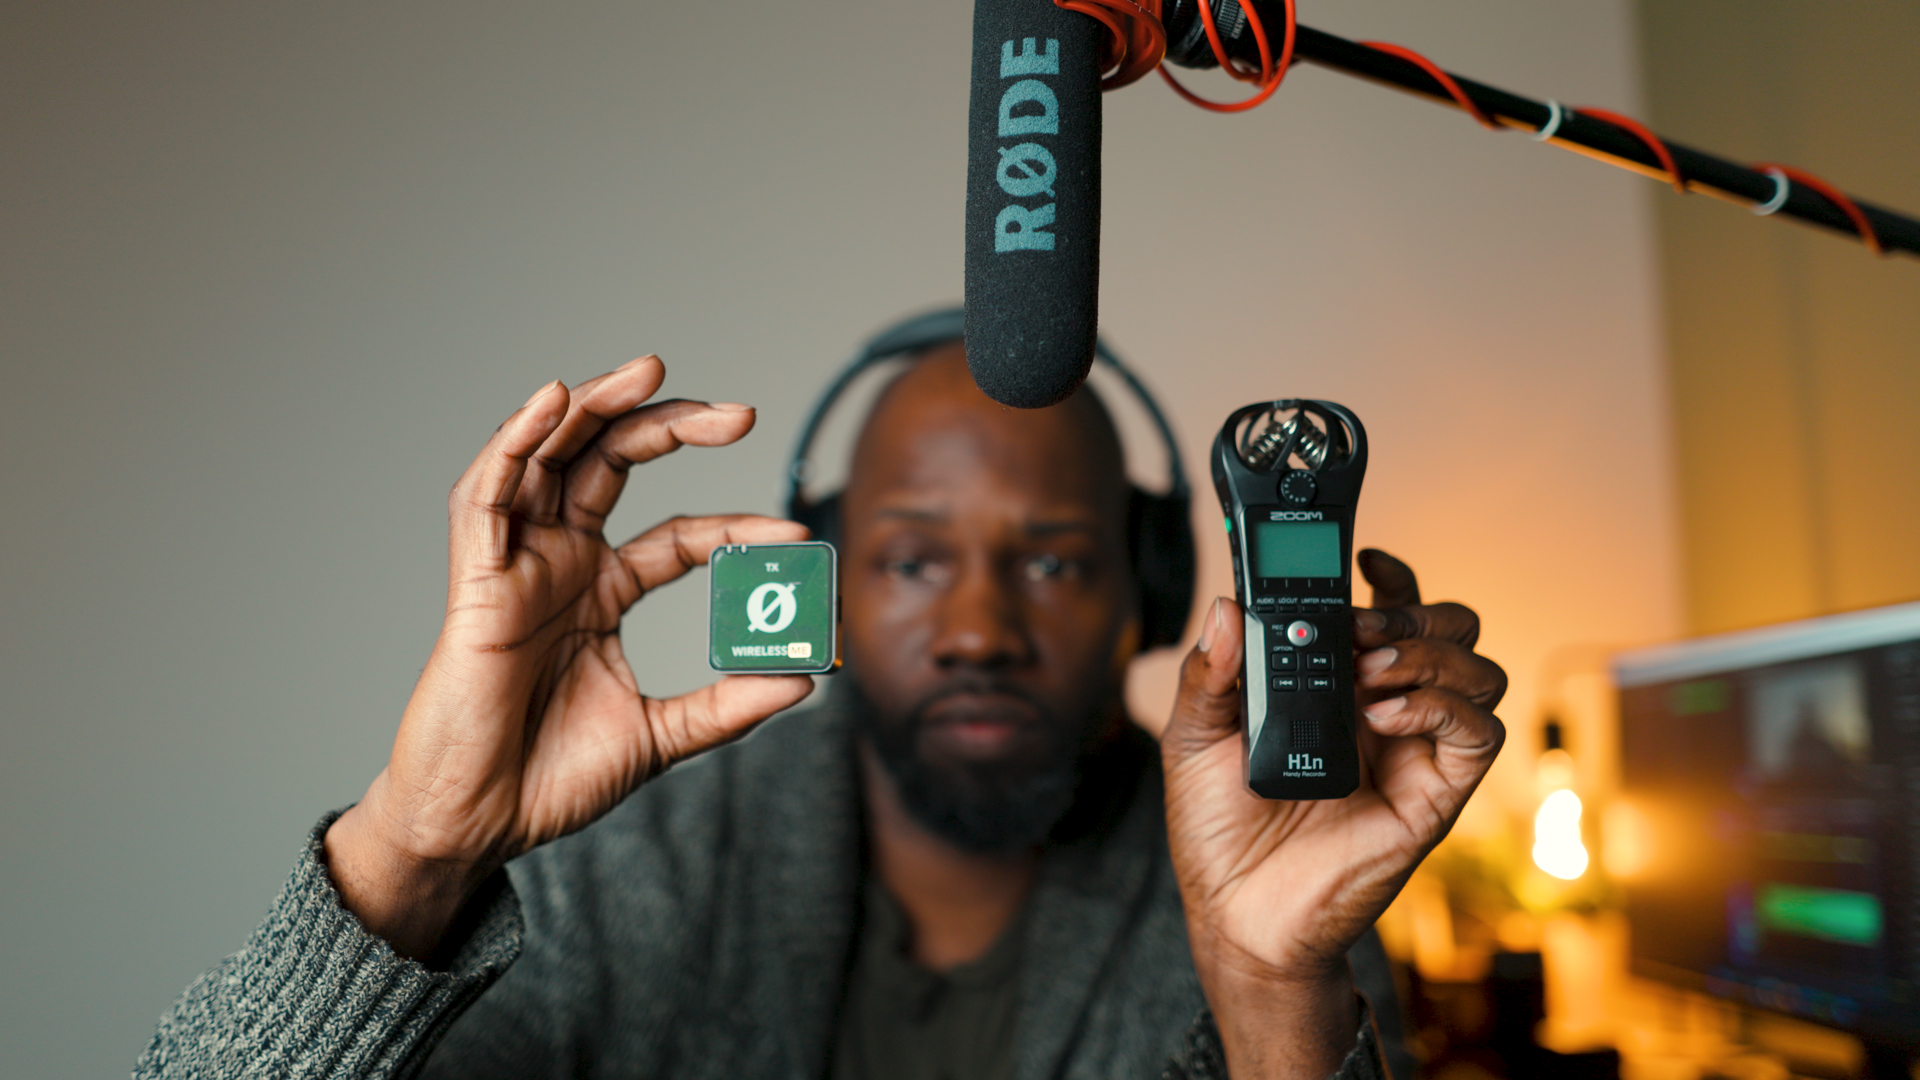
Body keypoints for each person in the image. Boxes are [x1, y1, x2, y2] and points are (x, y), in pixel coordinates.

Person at [138, 317, 1507, 1080]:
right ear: (827, 586)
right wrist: (416, 849)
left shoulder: (1270, 893)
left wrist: (1270, 991)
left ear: (1146, 592)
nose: (979, 631)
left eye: (1051, 560)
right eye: (913, 561)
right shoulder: (627, 871)